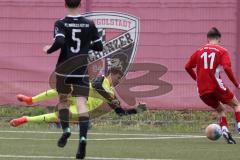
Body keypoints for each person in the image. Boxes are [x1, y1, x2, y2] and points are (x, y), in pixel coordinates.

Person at [11, 67, 147, 159]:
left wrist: (137, 110)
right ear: (111, 74)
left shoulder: (112, 95)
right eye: (118, 77)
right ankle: (31, 99)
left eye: (120, 78)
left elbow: (121, 113)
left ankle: (25, 119)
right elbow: (97, 86)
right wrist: (110, 98)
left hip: (83, 108)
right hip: (79, 93)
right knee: (61, 89)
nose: (118, 80)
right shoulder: (102, 80)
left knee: (58, 116)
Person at [42, 0, 103, 159]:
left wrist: (49, 49)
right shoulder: (89, 24)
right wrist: (85, 46)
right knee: (81, 102)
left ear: (65, 4)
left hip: (64, 68)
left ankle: (66, 131)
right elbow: (99, 47)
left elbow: (60, 41)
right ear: (80, 4)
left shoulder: (61, 23)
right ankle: (83, 139)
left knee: (63, 100)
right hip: (81, 68)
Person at [185, 27, 240, 144]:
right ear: (219, 39)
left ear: (207, 39)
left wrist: (197, 79)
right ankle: (239, 126)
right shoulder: (222, 51)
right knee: (236, 105)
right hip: (216, 86)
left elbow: (187, 67)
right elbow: (227, 68)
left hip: (202, 90)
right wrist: (236, 84)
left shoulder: (199, 51)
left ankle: (224, 129)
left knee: (221, 109)